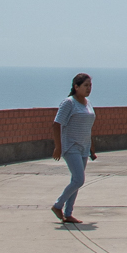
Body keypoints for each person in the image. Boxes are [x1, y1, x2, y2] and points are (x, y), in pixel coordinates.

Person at [51, 73, 97, 224]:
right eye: (85, 85)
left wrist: (91, 148)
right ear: (76, 87)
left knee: (75, 180)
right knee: (79, 180)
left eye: (90, 85)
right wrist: (58, 147)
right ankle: (58, 205)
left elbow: (87, 128)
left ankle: (68, 214)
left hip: (84, 147)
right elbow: (56, 124)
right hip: (71, 146)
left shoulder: (88, 103)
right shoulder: (69, 103)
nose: (89, 88)